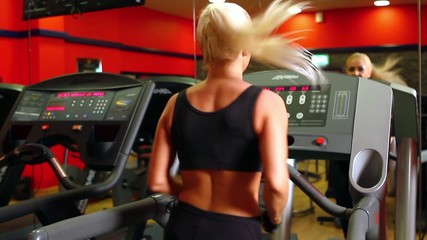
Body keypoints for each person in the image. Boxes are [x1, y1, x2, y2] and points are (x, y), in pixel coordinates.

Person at [147, 1, 321, 239]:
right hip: (235, 227)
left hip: (184, 224)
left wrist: (192, 196)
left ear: (203, 48)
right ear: (245, 48)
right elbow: (278, 185)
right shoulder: (267, 103)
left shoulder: (175, 103)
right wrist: (275, 218)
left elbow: (157, 182)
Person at [329, 52, 407, 237]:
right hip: (341, 160)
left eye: (360, 69)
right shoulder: (339, 95)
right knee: (345, 208)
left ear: (369, 72)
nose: (356, 73)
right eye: (351, 69)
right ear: (346, 72)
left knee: (370, 210)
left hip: (369, 161)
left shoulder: (380, 95)